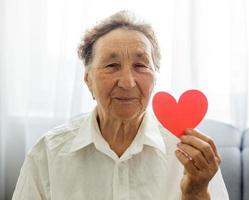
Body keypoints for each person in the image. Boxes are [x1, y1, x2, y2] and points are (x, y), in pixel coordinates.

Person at [12, 10, 229, 200]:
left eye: (140, 65)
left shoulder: (192, 157)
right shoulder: (48, 153)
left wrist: (196, 193)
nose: (127, 82)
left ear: (155, 78)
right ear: (88, 79)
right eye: (112, 65)